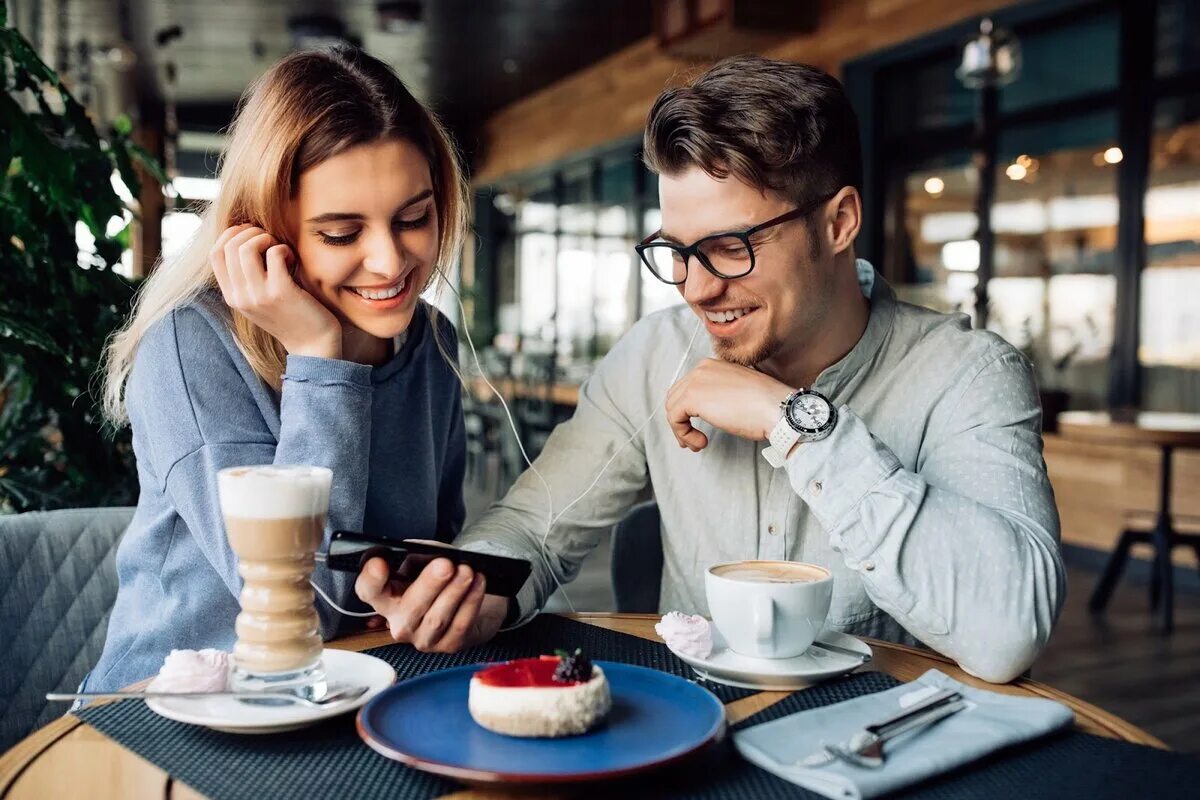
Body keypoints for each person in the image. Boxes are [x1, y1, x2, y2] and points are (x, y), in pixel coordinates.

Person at [355, 55, 1065, 684]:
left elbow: (1008, 635)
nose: (694, 288)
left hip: (888, 755)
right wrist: (475, 585)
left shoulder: (967, 374)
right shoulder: (654, 355)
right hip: (692, 745)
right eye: (676, 250)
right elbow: (535, 532)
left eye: (729, 247)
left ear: (839, 222)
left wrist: (796, 423)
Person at [87, 46, 473, 692]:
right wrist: (319, 355)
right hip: (167, 719)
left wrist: (430, 590)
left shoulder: (430, 344)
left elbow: (433, 548)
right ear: (268, 231)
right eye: (342, 234)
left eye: (414, 218)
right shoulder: (187, 349)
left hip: (350, 704)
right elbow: (300, 606)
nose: (390, 263)